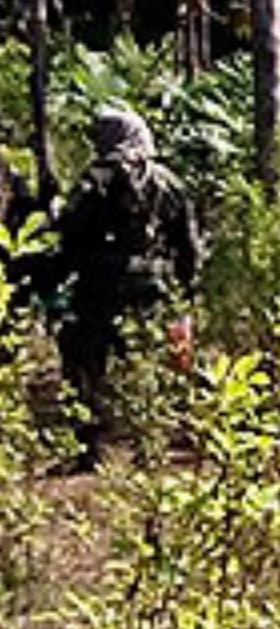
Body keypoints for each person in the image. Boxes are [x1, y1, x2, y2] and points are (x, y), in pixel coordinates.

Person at [46, 107, 202, 460]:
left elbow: (70, 235)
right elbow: (188, 245)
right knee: (148, 360)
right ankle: (151, 442)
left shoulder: (94, 180)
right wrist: (185, 291)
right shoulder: (168, 181)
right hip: (154, 288)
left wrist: (56, 273)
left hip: (100, 287)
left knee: (81, 357)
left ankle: (88, 447)